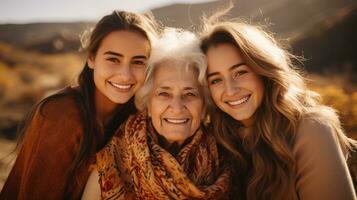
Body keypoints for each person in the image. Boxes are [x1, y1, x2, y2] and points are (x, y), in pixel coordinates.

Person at [199, 7, 357, 200]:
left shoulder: (311, 131)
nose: (230, 90)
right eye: (216, 80)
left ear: (262, 71)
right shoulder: (217, 143)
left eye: (240, 72)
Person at [0, 10, 158, 200]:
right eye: (113, 59)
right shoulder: (62, 115)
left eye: (138, 62)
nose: (125, 74)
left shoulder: (135, 121)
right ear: (91, 58)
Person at [81, 28, 232, 200]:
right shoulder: (111, 164)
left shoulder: (228, 156)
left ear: (205, 105)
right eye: (164, 93)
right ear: (148, 103)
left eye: (190, 94)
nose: (176, 107)